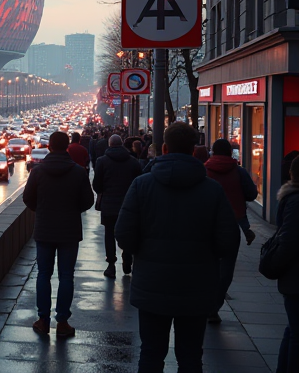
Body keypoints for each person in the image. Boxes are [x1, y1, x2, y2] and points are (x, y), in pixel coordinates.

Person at [115, 122, 239, 373]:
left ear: (163, 148)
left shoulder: (142, 185)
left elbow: (123, 233)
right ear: (194, 150)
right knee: (191, 356)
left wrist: (144, 252)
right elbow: (228, 240)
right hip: (197, 286)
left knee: (150, 354)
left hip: (152, 284)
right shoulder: (212, 190)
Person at [22, 131, 94, 338]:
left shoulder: (37, 172)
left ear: (50, 146)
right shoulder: (79, 172)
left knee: (43, 274)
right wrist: (71, 211)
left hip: (44, 229)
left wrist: (43, 210)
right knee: (66, 276)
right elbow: (88, 201)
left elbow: (28, 199)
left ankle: (43, 320)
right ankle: (62, 321)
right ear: (67, 147)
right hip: (69, 231)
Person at [205, 138, 259, 324]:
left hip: (206, 226)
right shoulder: (239, 171)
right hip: (231, 226)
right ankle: (214, 308)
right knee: (225, 270)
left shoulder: (203, 170)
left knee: (204, 265)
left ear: (212, 151)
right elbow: (252, 194)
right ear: (230, 153)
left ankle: (203, 302)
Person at [92, 134, 142, 278]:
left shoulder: (102, 161)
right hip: (128, 206)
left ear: (109, 144)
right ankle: (127, 258)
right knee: (127, 232)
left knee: (109, 234)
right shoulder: (133, 162)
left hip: (108, 205)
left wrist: (104, 192)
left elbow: (97, 185)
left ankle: (111, 265)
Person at [270, 158, 299, 373]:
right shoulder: (296, 201)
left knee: (293, 329)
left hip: (292, 275)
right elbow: (289, 240)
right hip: (295, 275)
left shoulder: (289, 198)